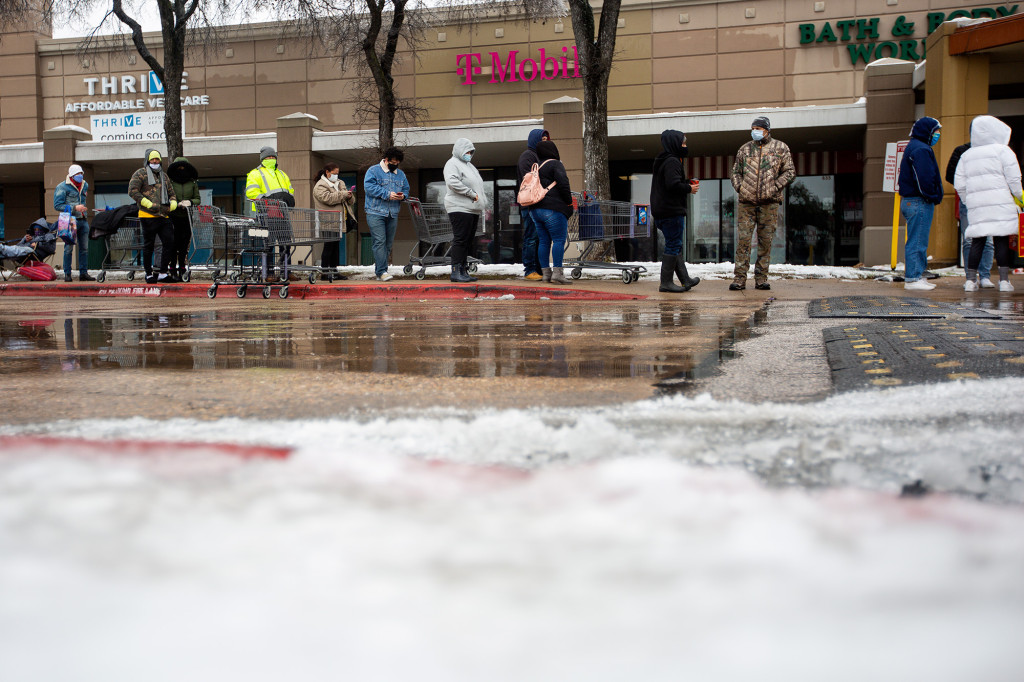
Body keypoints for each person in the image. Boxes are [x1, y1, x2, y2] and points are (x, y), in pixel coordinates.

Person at [954, 115, 1024, 293]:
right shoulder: (1003, 151)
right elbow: (1014, 178)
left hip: (977, 204)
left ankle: (970, 281)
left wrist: (968, 201)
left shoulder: (966, 155)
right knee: (1000, 241)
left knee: (977, 240)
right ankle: (1004, 281)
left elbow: (959, 184)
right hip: (1001, 202)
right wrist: (1019, 196)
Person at [729, 116, 795, 291]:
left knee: (765, 243)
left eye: (758, 128)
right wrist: (741, 188)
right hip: (746, 203)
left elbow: (789, 172)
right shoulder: (744, 149)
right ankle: (739, 279)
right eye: (753, 128)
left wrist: (774, 187)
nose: (755, 131)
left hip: (769, 204)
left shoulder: (781, 148)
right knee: (743, 242)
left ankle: (761, 279)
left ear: (767, 130)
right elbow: (735, 172)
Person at [650, 129, 700, 293]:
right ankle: (666, 283)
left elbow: (668, 183)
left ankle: (685, 280)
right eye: (683, 142)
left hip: (662, 211)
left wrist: (685, 183)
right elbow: (672, 185)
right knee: (673, 246)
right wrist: (689, 188)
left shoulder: (663, 160)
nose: (685, 146)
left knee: (676, 246)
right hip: (671, 212)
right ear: (674, 143)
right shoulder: (672, 161)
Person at [897, 116, 944, 291]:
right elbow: (924, 177)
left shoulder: (916, 147)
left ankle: (917, 276)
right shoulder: (921, 149)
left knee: (918, 240)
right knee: (917, 241)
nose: (938, 135)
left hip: (913, 201)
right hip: (919, 201)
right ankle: (913, 278)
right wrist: (932, 195)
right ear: (928, 131)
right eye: (936, 131)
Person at [946, 135, 995, 289]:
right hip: (968, 200)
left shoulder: (991, 152)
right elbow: (951, 175)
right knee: (969, 239)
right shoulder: (962, 151)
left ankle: (985, 276)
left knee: (988, 240)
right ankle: (970, 277)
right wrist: (968, 189)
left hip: (987, 200)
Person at [245, 146, 297, 282]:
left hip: (281, 213)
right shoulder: (255, 174)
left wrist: (287, 198)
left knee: (285, 243)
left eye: (273, 157)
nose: (271, 159)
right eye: (268, 157)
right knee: (268, 244)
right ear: (262, 159)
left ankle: (286, 271)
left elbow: (290, 190)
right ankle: (269, 273)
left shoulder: (281, 174)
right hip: (265, 214)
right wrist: (269, 201)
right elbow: (251, 192)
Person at [128, 149, 178, 284]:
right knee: (149, 245)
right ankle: (149, 274)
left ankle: (162, 273)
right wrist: (146, 203)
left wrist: (173, 202)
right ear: (148, 160)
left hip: (163, 215)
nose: (155, 162)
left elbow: (171, 192)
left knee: (169, 243)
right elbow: (132, 191)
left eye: (157, 159)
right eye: (152, 159)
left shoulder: (164, 176)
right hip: (148, 215)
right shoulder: (140, 173)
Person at [363, 146, 410, 282]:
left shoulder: (400, 174)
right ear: (386, 159)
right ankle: (381, 271)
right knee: (379, 241)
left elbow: (406, 189)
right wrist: (387, 194)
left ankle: (382, 270)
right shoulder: (373, 171)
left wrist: (403, 196)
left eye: (397, 163)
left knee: (388, 244)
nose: (395, 165)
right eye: (393, 162)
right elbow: (369, 187)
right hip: (375, 212)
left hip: (392, 213)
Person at [531, 140, 573, 284]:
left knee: (543, 241)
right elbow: (564, 184)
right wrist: (569, 202)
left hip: (536, 210)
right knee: (559, 240)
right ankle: (558, 274)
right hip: (553, 209)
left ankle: (546, 274)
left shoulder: (536, 168)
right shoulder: (555, 164)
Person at [312, 162, 354, 280]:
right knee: (329, 246)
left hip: (339, 220)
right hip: (328, 220)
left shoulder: (340, 183)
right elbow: (328, 198)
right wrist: (344, 194)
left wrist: (350, 196)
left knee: (335, 247)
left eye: (338, 173)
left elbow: (348, 200)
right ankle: (325, 272)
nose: (336, 175)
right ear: (327, 172)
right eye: (334, 173)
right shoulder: (320, 185)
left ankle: (334, 271)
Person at [516, 128, 549, 281]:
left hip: (540, 204)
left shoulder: (542, 157)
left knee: (539, 238)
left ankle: (538, 268)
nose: (545, 142)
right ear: (535, 140)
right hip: (530, 204)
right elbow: (529, 179)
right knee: (531, 237)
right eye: (542, 140)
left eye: (546, 140)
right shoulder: (528, 156)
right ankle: (529, 269)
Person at [53, 164, 95, 282]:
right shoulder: (62, 187)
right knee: (68, 248)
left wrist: (82, 209)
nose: (80, 176)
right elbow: (57, 205)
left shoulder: (85, 185)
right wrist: (75, 207)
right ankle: (67, 273)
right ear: (71, 175)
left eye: (81, 173)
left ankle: (83, 273)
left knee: (84, 248)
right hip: (70, 221)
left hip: (83, 219)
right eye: (77, 174)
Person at [167, 156, 200, 280]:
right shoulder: (169, 183)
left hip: (187, 217)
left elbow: (198, 199)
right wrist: (175, 203)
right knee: (173, 244)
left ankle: (182, 268)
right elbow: (166, 197)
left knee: (184, 244)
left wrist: (189, 202)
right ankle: (172, 269)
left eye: (183, 167)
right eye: (179, 167)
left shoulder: (192, 183)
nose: (181, 169)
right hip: (173, 216)